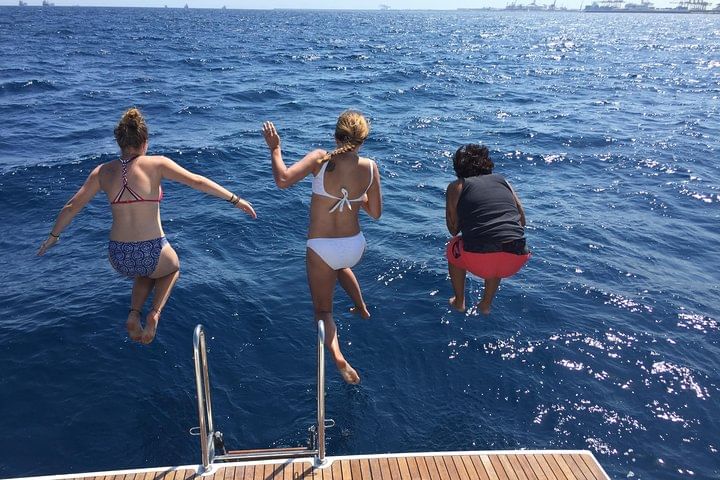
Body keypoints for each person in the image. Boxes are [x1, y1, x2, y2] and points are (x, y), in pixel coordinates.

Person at [37, 107, 256, 344]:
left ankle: (134, 314)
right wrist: (235, 200)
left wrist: (53, 237)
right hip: (152, 251)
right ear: (145, 142)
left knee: (146, 271)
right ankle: (154, 313)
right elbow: (197, 181)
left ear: (120, 143)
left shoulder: (102, 172)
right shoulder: (157, 163)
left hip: (118, 255)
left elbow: (71, 207)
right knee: (171, 268)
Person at [262, 111, 382, 384]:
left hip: (322, 248)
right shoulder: (370, 167)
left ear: (335, 136)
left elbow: (282, 180)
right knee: (340, 267)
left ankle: (338, 356)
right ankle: (361, 307)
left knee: (323, 311)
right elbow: (376, 212)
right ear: (363, 141)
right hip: (355, 245)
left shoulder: (320, 159)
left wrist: (275, 149)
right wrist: (357, 196)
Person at [445, 144, 530, 315]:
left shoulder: (456, 186)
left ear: (458, 168)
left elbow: (453, 230)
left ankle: (459, 301)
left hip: (480, 258)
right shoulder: (502, 180)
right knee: (498, 240)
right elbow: (522, 220)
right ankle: (485, 304)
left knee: (454, 245)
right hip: (517, 256)